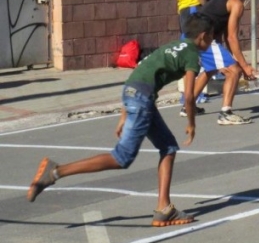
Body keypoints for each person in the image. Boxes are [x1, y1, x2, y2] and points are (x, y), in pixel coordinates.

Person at [27, 14, 215, 227]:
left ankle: (164, 209)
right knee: (122, 158)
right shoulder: (192, 55)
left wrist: (124, 113)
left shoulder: (174, 46)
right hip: (142, 99)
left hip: (134, 93)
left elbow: (140, 73)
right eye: (212, 38)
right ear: (203, 36)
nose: (212, 42)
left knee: (168, 147)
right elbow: (189, 95)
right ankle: (56, 171)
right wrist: (191, 123)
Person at [185, 0, 257, 125]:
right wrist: (244, 66)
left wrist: (235, 59)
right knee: (234, 70)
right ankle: (225, 113)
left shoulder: (226, 1)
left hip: (193, 34)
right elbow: (232, 37)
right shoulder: (237, 3)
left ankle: (187, 106)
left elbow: (225, 36)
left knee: (211, 69)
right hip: (202, 37)